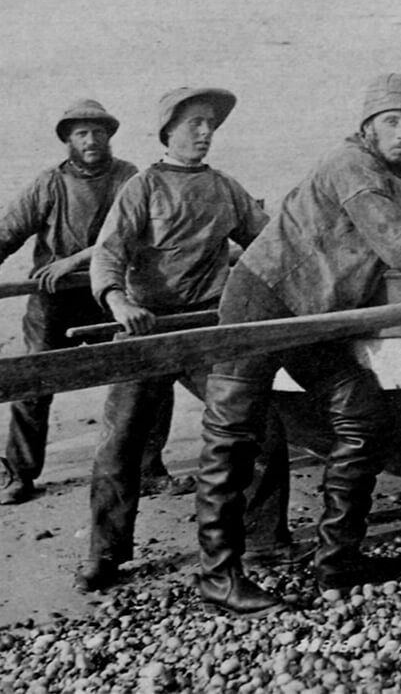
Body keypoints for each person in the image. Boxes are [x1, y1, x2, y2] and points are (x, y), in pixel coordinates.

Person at [194, 73, 401, 618]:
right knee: (233, 436)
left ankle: (338, 561)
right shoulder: (351, 163)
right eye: (392, 121)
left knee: (362, 416)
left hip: (319, 314)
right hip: (262, 296)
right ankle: (218, 577)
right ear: (367, 127)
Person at [75, 87, 270, 592]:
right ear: (168, 132)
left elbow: (268, 245)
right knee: (119, 445)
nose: (205, 133)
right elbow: (108, 255)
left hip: (209, 329)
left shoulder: (225, 187)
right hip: (149, 330)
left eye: (211, 124)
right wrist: (120, 303)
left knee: (262, 426)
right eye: (195, 124)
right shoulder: (142, 188)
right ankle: (106, 555)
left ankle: (268, 537)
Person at [0, 99, 138, 506]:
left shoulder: (129, 179)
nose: (92, 140)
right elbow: (10, 229)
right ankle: (21, 474)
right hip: (53, 299)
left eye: (99, 132)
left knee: (141, 377)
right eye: (82, 133)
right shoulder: (50, 183)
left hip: (111, 293)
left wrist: (75, 261)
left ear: (110, 137)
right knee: (32, 383)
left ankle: (149, 469)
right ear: (67, 139)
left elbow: (130, 233)